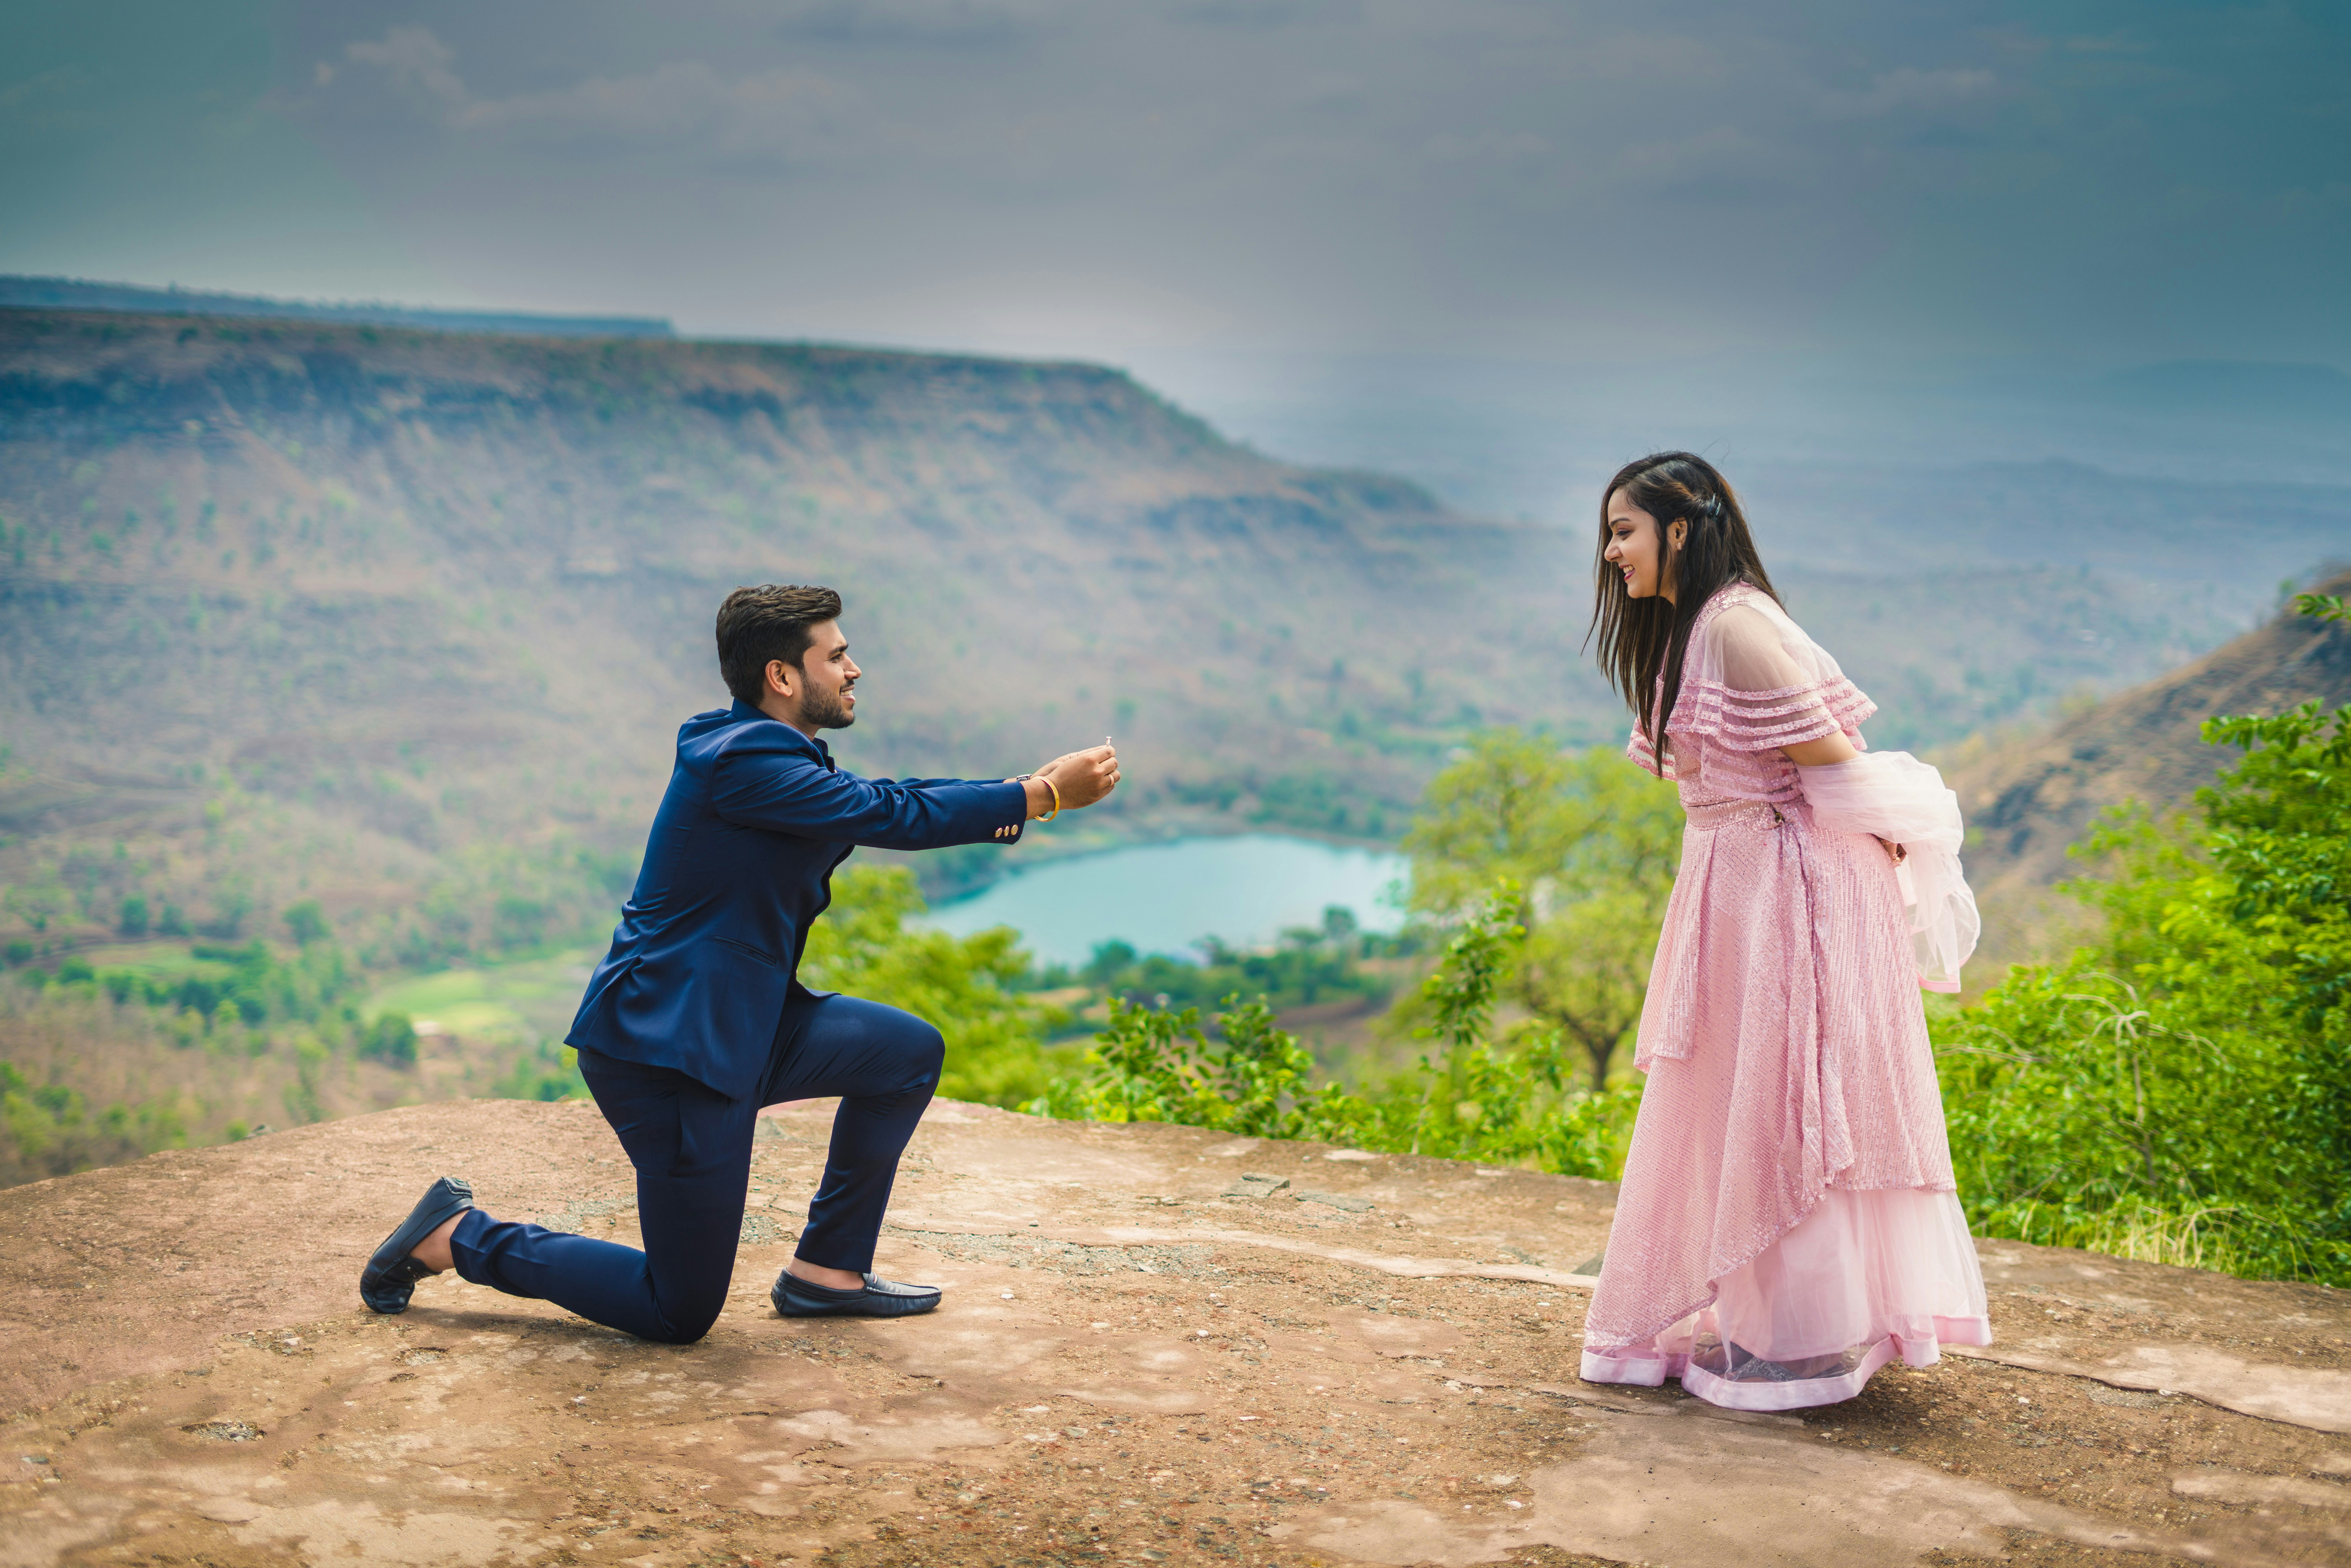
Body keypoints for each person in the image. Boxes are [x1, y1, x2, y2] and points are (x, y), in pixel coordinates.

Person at [357, 584, 1120, 1342]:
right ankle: (457, 1236)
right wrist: (1041, 795)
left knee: (907, 1053)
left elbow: (884, 796)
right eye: (839, 655)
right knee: (678, 1309)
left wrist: (1022, 791)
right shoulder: (745, 763)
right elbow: (887, 815)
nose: (855, 670)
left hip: (744, 1025)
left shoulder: (758, 748)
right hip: (675, 1052)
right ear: (783, 678)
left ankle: (828, 1273)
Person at [1578, 452, 1989, 1411]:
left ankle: (1800, 1332)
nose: (1610, 553)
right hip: (1734, 884)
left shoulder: (1739, 630)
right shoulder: (1690, 630)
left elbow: (1837, 762)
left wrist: (1895, 850)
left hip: (1786, 887)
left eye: (1624, 531)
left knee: (1785, 1094)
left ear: (1679, 531)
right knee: (1736, 1091)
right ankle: (1767, 1314)